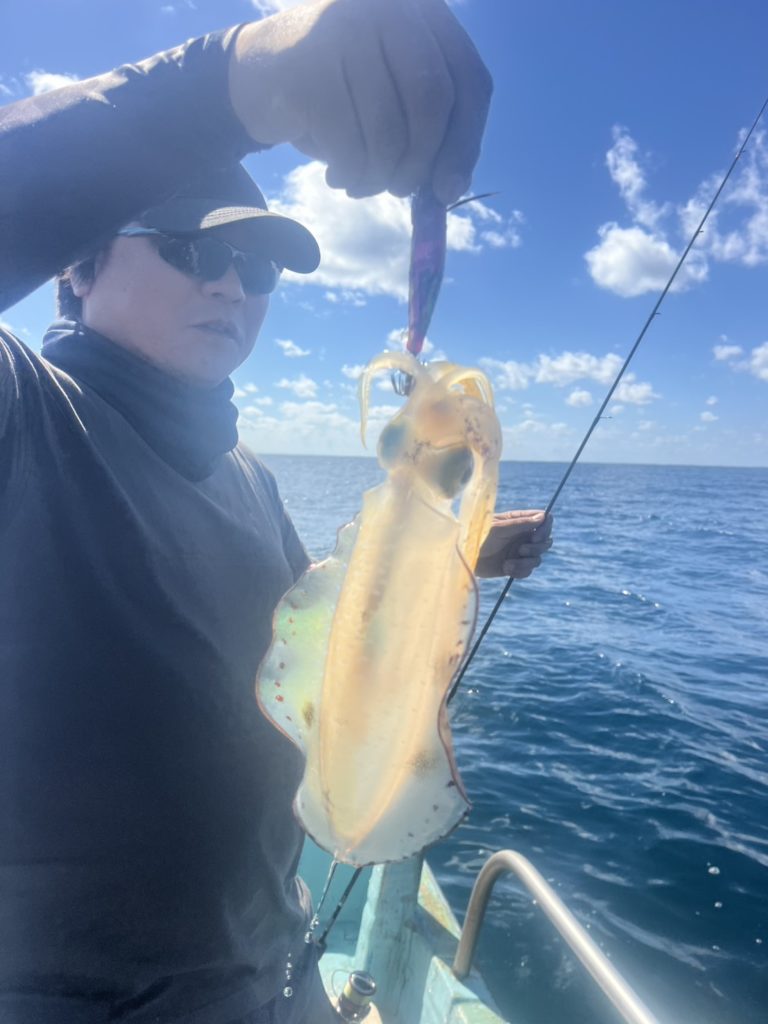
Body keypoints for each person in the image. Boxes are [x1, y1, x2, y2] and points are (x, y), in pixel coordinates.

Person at [0, 1, 552, 1021]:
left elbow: (317, 631)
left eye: (255, 266)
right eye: (190, 249)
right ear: (76, 264)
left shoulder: (244, 472)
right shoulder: (27, 419)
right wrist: (240, 76)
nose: (232, 286)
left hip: (275, 963)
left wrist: (457, 554)